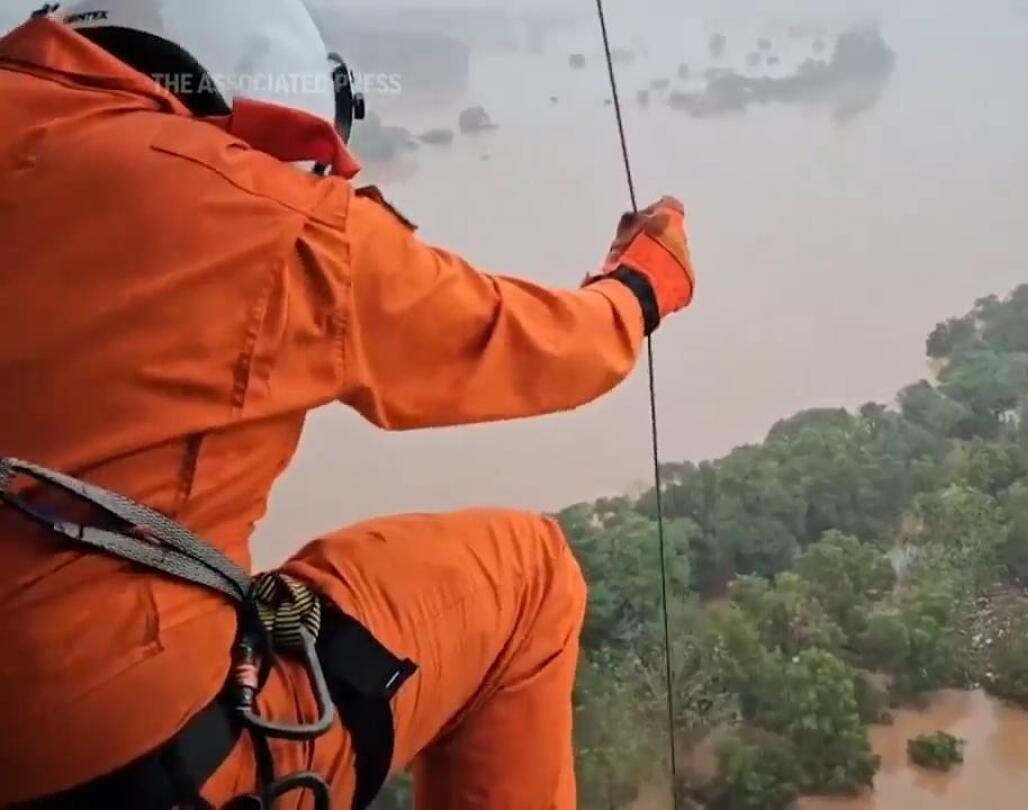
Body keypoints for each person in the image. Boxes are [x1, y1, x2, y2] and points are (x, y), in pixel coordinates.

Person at [0, 1, 695, 808]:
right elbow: (536, 345)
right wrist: (642, 287)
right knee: (530, 575)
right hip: (111, 760)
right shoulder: (266, 214)